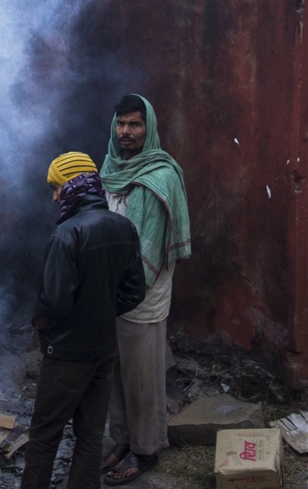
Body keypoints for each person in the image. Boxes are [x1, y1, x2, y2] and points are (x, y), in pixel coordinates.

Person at [20, 153, 146, 489]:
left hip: (66, 355)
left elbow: (54, 301)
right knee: (90, 435)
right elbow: (135, 293)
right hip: (104, 349)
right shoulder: (124, 226)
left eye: (56, 187)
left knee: (45, 434)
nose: (54, 197)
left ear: (71, 185)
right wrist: (101, 312)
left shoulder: (66, 234)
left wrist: (41, 325)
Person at [100, 94, 191, 485]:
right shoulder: (109, 166)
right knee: (116, 372)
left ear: (148, 127)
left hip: (142, 292)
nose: (125, 132)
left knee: (142, 376)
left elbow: (150, 247)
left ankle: (147, 448)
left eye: (134, 124)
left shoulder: (161, 174)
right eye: (121, 124)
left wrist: (127, 287)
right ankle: (122, 439)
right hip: (111, 292)